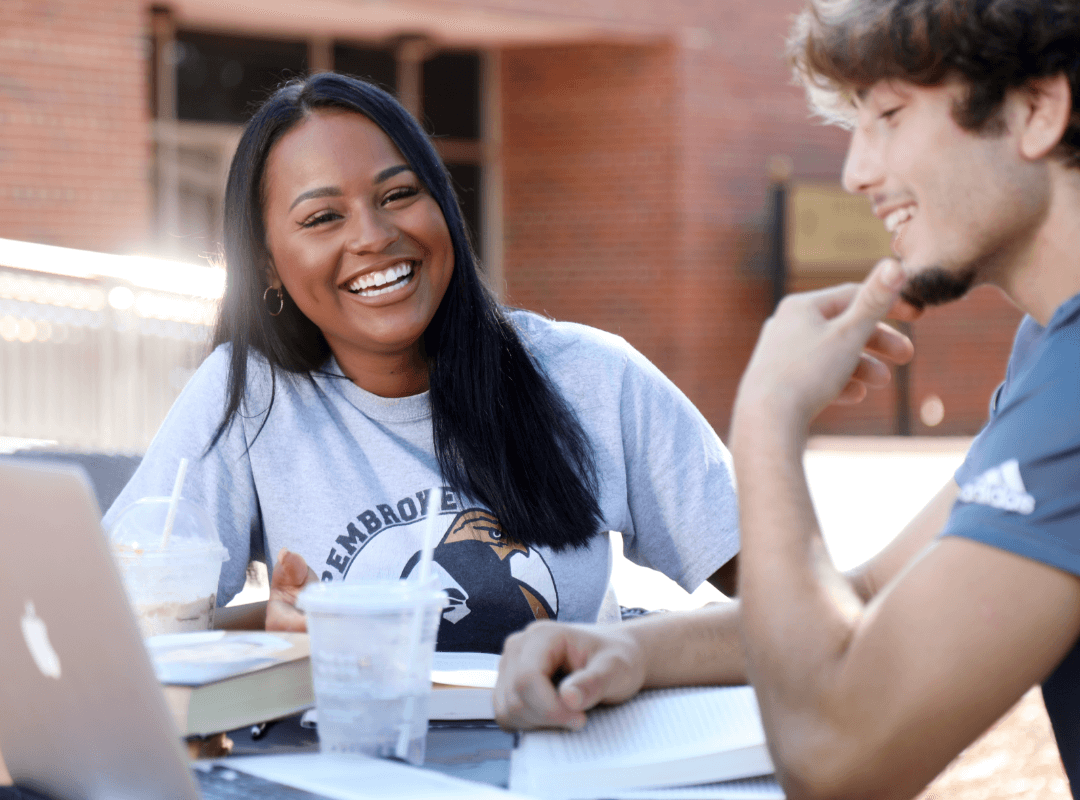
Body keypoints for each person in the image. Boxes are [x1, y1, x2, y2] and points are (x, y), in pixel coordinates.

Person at [494, 0, 1080, 796]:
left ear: (1039, 109)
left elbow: (837, 761)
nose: (856, 172)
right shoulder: (1053, 347)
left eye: (890, 116)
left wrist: (769, 414)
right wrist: (636, 652)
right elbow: (871, 600)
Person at [102, 72, 740, 655]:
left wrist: (638, 652)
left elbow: (800, 606)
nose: (373, 236)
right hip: (357, 765)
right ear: (268, 264)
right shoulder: (248, 397)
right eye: (323, 217)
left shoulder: (592, 377)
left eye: (399, 193)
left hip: (568, 757)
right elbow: (128, 633)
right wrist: (271, 631)